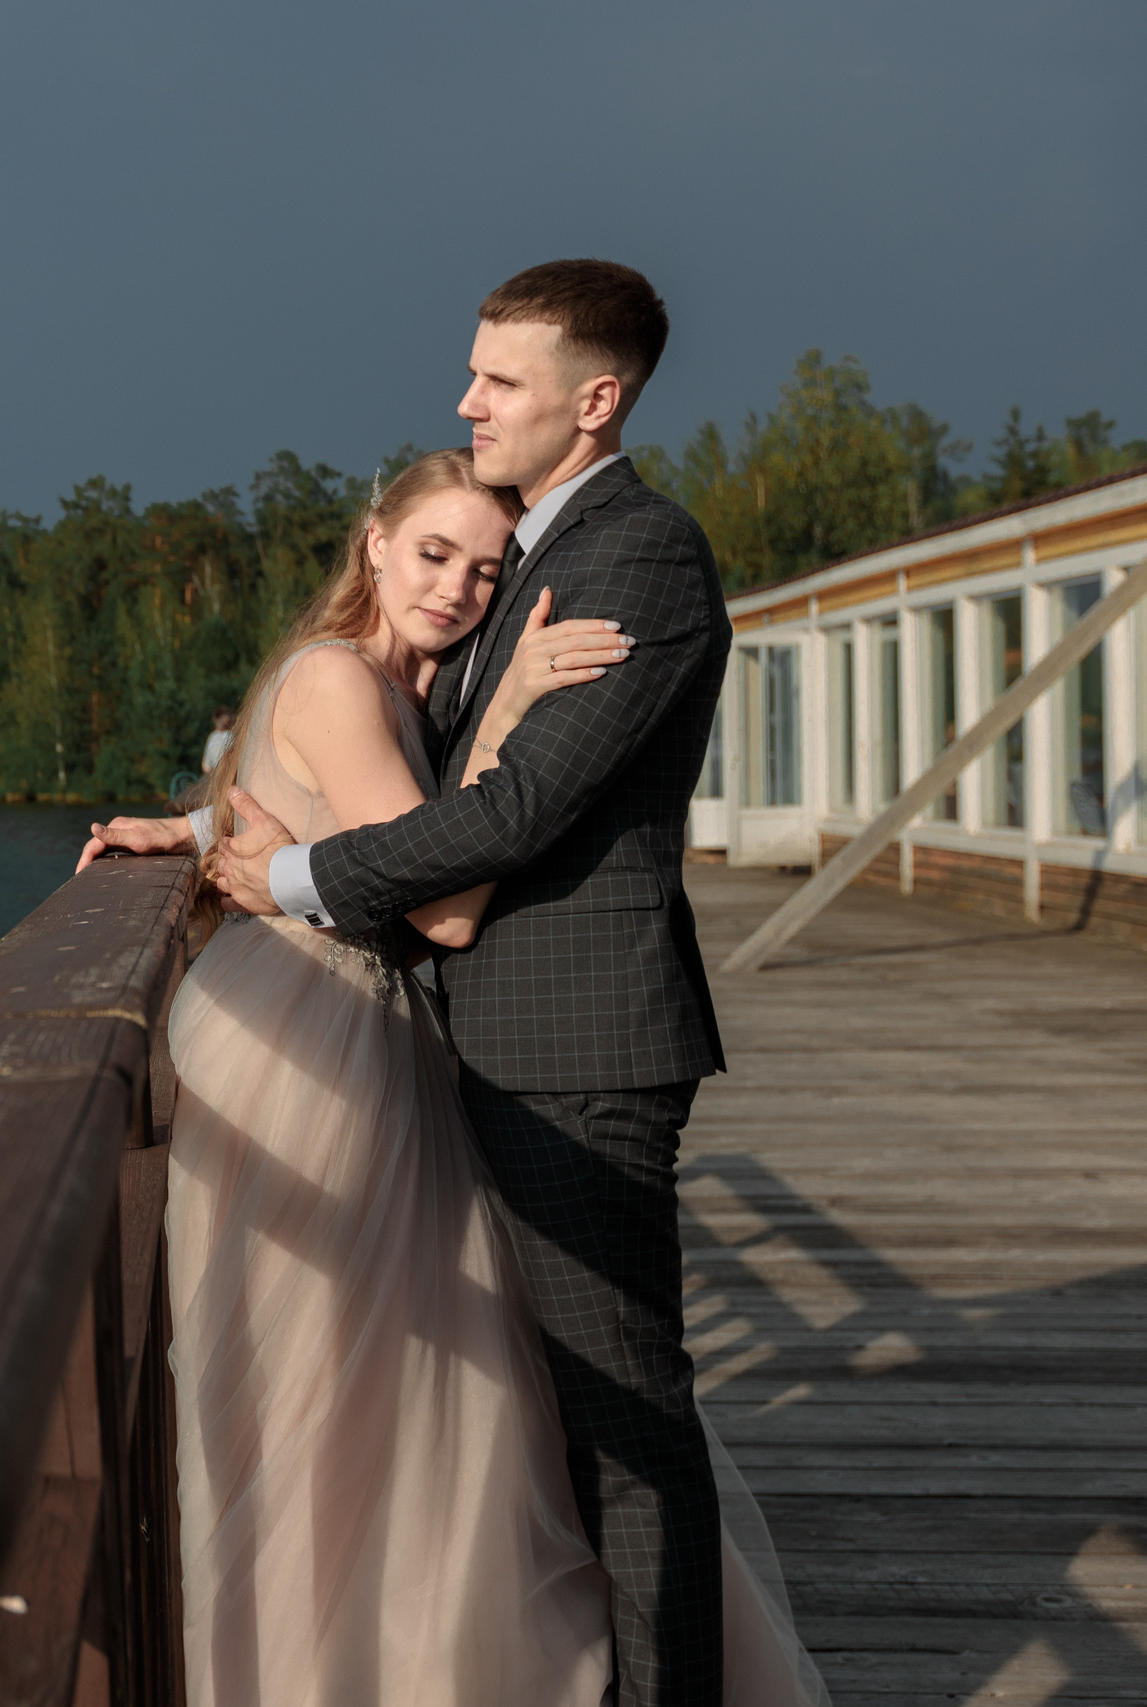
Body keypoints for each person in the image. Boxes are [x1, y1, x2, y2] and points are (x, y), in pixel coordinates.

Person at [77, 263, 828, 1705]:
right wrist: (209, 816)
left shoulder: (636, 556)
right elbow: (364, 738)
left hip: (572, 1041)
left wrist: (282, 879)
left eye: (499, 379)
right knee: (541, 1401)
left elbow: (500, 821)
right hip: (470, 1041)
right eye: (471, 373)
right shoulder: (527, 553)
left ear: (594, 399)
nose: (466, 399)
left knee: (618, 1414)